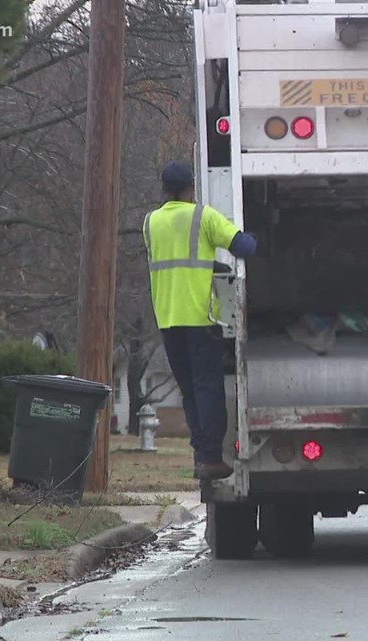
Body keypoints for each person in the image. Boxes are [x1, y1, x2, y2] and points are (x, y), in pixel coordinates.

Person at [143, 161, 257, 480]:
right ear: (190, 188)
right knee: (208, 388)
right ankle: (210, 457)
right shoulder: (201, 216)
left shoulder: (150, 222)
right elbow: (243, 247)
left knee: (190, 390)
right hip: (200, 317)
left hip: (167, 318)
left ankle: (200, 456)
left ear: (165, 189)